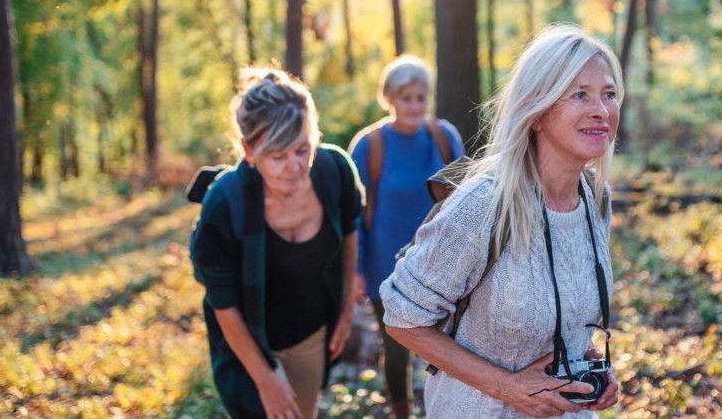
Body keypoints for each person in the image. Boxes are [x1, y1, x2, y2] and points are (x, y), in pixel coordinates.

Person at [380, 25, 623, 418]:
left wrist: (588, 363)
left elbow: (564, 312)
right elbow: (402, 317)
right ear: (538, 112)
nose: (601, 110)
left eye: (608, 94)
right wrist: (509, 387)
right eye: (580, 94)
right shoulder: (485, 204)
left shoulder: (595, 197)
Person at [190, 68, 364, 419]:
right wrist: (266, 380)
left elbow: (349, 235)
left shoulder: (335, 172)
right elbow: (223, 304)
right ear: (250, 152)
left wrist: (346, 310)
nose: (295, 167)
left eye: (303, 149)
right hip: (246, 343)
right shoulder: (225, 203)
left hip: (310, 335)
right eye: (278, 157)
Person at [348, 55, 464, 419]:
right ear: (390, 99)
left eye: (419, 97)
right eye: (405, 98)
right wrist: (356, 271)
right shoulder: (370, 146)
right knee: (397, 349)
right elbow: (354, 216)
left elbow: (465, 201)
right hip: (388, 269)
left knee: (448, 349)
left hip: (441, 265)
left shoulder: (444, 137)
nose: (413, 106)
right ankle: (402, 412)